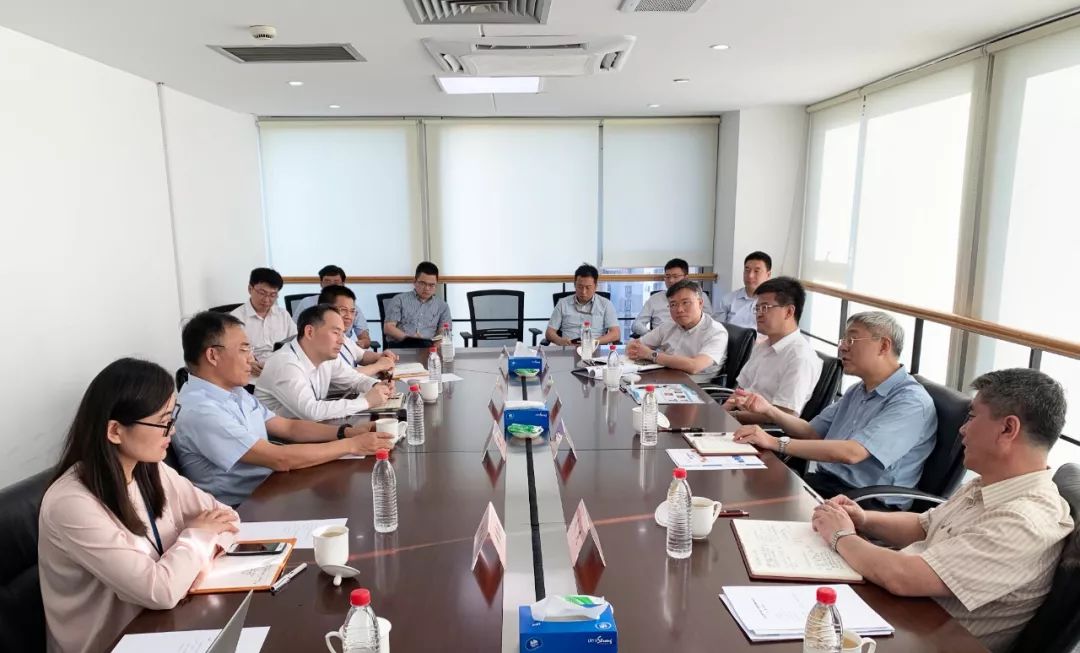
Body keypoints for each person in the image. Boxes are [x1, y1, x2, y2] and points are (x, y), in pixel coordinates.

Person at [810, 369, 1073, 653]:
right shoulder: (992, 484)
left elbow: (901, 577)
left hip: (918, 637)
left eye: (972, 417)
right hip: (898, 614)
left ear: (1008, 429)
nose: (962, 429)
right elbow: (926, 525)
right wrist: (863, 519)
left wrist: (841, 536)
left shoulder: (1025, 522)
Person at [38, 358, 240, 653]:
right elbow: (160, 591)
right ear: (115, 431)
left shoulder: (151, 468)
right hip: (112, 643)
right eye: (162, 421)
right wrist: (198, 537)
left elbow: (229, 518)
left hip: (167, 625)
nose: (172, 430)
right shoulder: (71, 504)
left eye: (173, 416)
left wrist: (196, 562)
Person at [173, 312, 397, 506]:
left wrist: (347, 432)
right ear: (213, 355)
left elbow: (288, 427)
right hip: (243, 508)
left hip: (271, 487)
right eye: (244, 350)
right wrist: (353, 445)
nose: (252, 360)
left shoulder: (235, 392)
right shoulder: (201, 410)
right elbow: (279, 458)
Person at [733, 311, 936, 508]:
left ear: (883, 346)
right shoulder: (858, 390)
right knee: (747, 488)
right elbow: (811, 432)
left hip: (865, 502)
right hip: (828, 485)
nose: (843, 348)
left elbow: (852, 453)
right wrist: (769, 410)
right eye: (843, 340)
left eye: (852, 340)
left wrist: (774, 442)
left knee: (759, 503)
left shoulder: (911, 402)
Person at [255, 304, 393, 420]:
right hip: (276, 439)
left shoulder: (325, 356)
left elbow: (355, 379)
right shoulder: (285, 363)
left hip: (307, 430)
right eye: (335, 333)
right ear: (310, 332)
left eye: (342, 334)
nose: (342, 341)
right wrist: (367, 401)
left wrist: (377, 385)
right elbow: (312, 411)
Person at [724, 277, 822, 422]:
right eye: (757, 308)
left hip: (760, 430)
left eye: (765, 308)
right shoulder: (763, 345)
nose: (759, 314)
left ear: (789, 312)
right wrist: (720, 413)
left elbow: (784, 416)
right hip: (736, 419)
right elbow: (740, 391)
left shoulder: (800, 358)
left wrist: (733, 417)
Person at [626, 280, 727, 383]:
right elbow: (634, 345)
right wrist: (634, 350)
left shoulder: (716, 332)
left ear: (700, 303)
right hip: (664, 379)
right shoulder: (668, 326)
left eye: (685, 303)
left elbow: (694, 366)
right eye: (673, 304)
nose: (679, 310)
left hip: (694, 386)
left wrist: (652, 355)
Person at [318, 285, 398, 377]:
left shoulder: (342, 336)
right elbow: (343, 376)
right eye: (343, 310)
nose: (349, 316)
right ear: (324, 310)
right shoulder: (320, 340)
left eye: (352, 311)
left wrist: (381, 356)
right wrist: (378, 366)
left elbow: (362, 356)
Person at [230, 267, 297, 375]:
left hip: (282, 370)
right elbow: (232, 351)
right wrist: (249, 364)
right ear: (250, 289)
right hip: (251, 374)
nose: (266, 300)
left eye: (272, 295)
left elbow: (296, 342)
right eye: (262, 293)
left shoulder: (283, 315)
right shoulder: (235, 318)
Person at [292, 265, 371, 346]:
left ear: (343, 284)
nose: (331, 285)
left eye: (336, 282)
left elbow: (364, 338)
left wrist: (361, 344)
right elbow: (293, 331)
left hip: (342, 346)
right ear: (321, 283)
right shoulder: (306, 303)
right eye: (327, 281)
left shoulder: (351, 307)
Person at [632, 258, 713, 336]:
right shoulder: (655, 299)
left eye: (675, 276)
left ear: (686, 278)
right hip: (661, 340)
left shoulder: (699, 296)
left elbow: (709, 321)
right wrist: (651, 335)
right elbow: (637, 324)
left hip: (691, 338)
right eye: (667, 277)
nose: (671, 280)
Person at [545, 263, 621, 347]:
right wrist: (559, 341)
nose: (583, 292)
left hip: (595, 348)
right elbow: (549, 332)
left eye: (588, 287)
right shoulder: (563, 303)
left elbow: (616, 333)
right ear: (574, 285)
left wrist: (595, 342)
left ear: (595, 286)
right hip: (568, 348)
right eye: (580, 287)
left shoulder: (606, 304)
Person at [383, 261, 452, 348]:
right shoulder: (399, 300)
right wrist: (410, 339)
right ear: (414, 282)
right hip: (401, 346)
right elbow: (388, 328)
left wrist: (435, 348)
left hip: (428, 348)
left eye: (431, 285)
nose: (427, 288)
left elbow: (444, 331)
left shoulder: (442, 306)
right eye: (423, 283)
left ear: (436, 285)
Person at [714, 251, 772, 329]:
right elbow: (716, 329)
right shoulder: (728, 300)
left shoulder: (775, 303)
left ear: (768, 275)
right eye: (747, 270)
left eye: (756, 271)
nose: (750, 276)